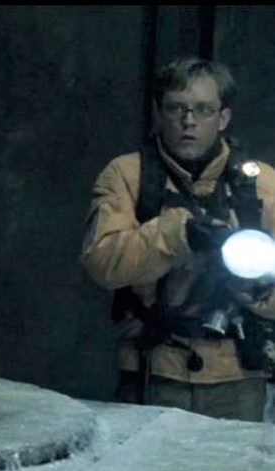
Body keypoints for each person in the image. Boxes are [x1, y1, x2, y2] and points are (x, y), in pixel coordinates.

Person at [80, 56, 275, 422]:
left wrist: (262, 294)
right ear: (159, 113)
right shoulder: (129, 175)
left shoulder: (261, 184)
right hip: (153, 369)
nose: (189, 121)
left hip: (237, 374)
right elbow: (101, 261)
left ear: (223, 118)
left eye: (203, 110)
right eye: (176, 108)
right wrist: (177, 234)